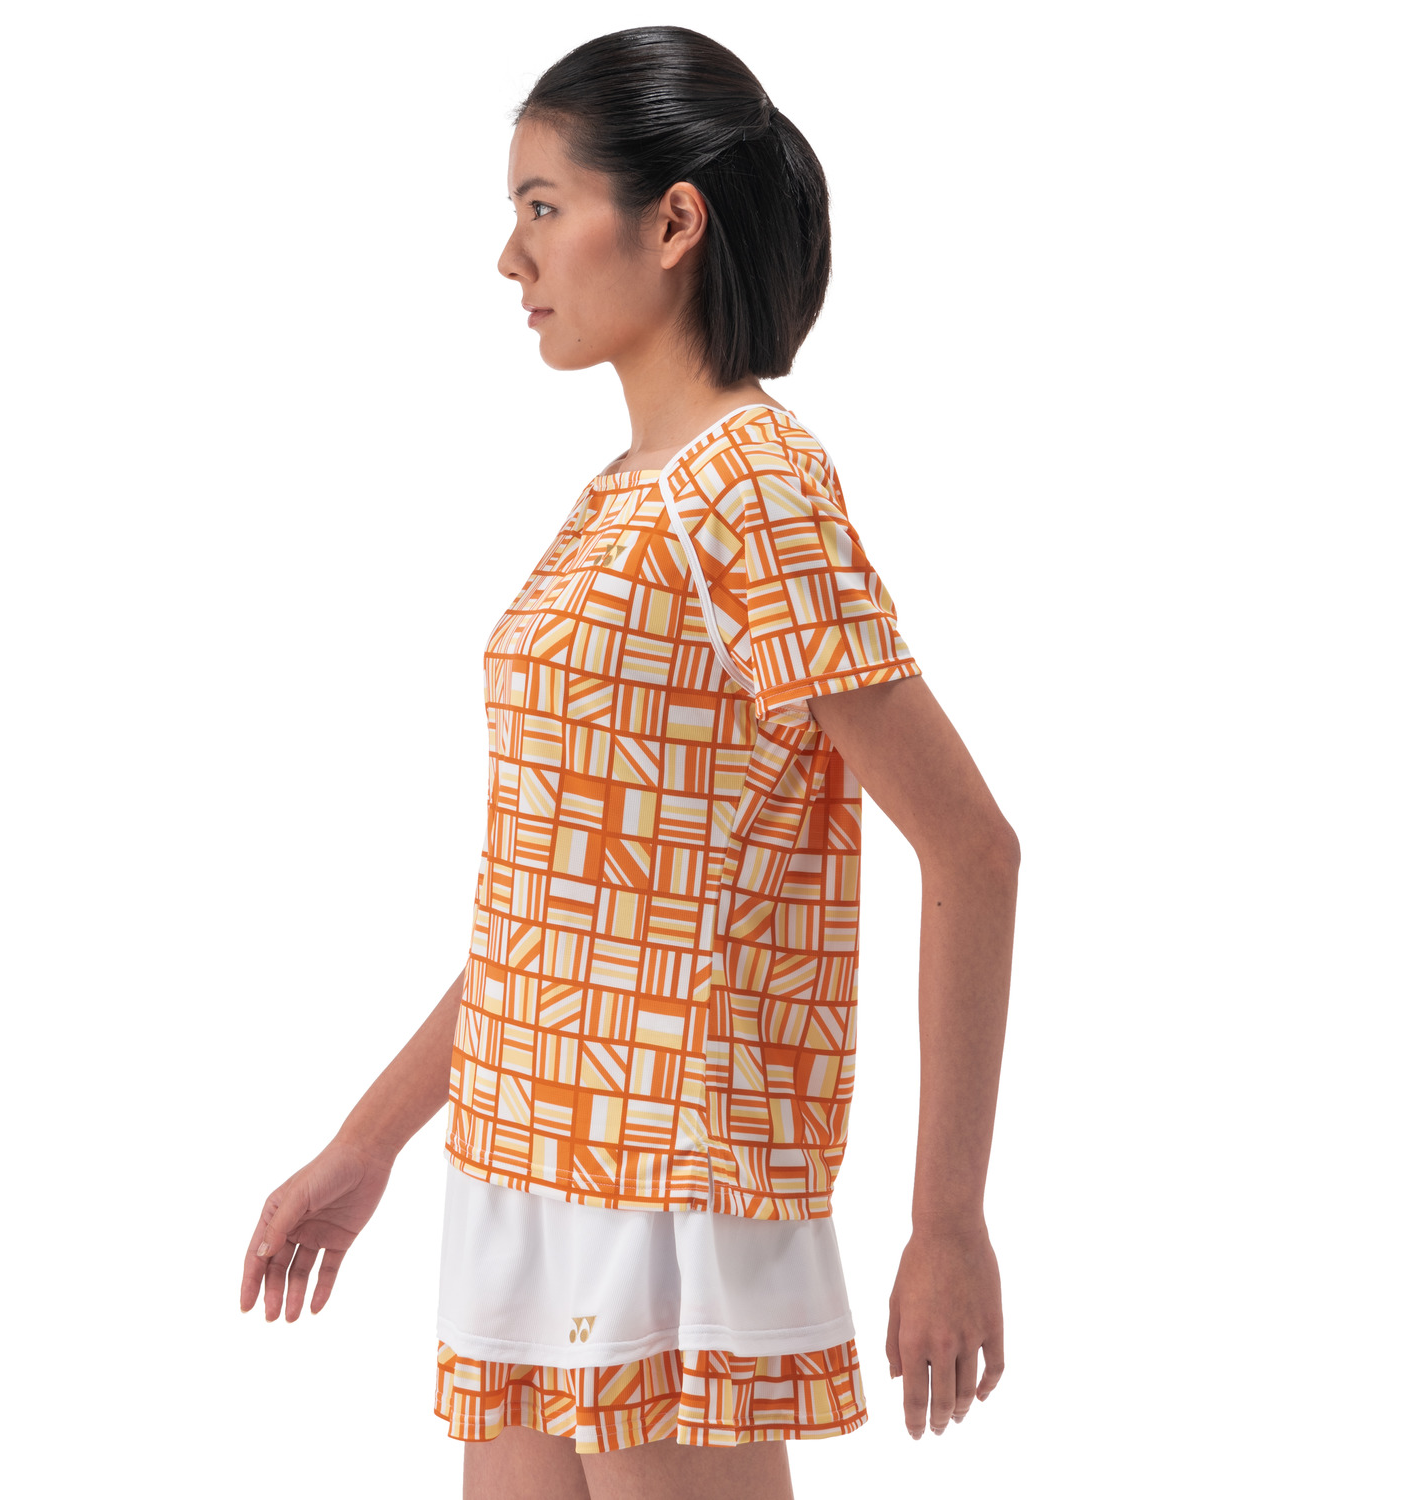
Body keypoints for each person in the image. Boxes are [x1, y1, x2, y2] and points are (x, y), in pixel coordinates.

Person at [239, 24, 1018, 1500]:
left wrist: (948, 1222)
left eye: (543, 206)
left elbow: (973, 848)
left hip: (667, 1175)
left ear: (673, 223)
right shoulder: (619, 497)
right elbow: (564, 916)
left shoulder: (754, 487)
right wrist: (368, 1143)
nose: (510, 257)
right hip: (532, 1152)